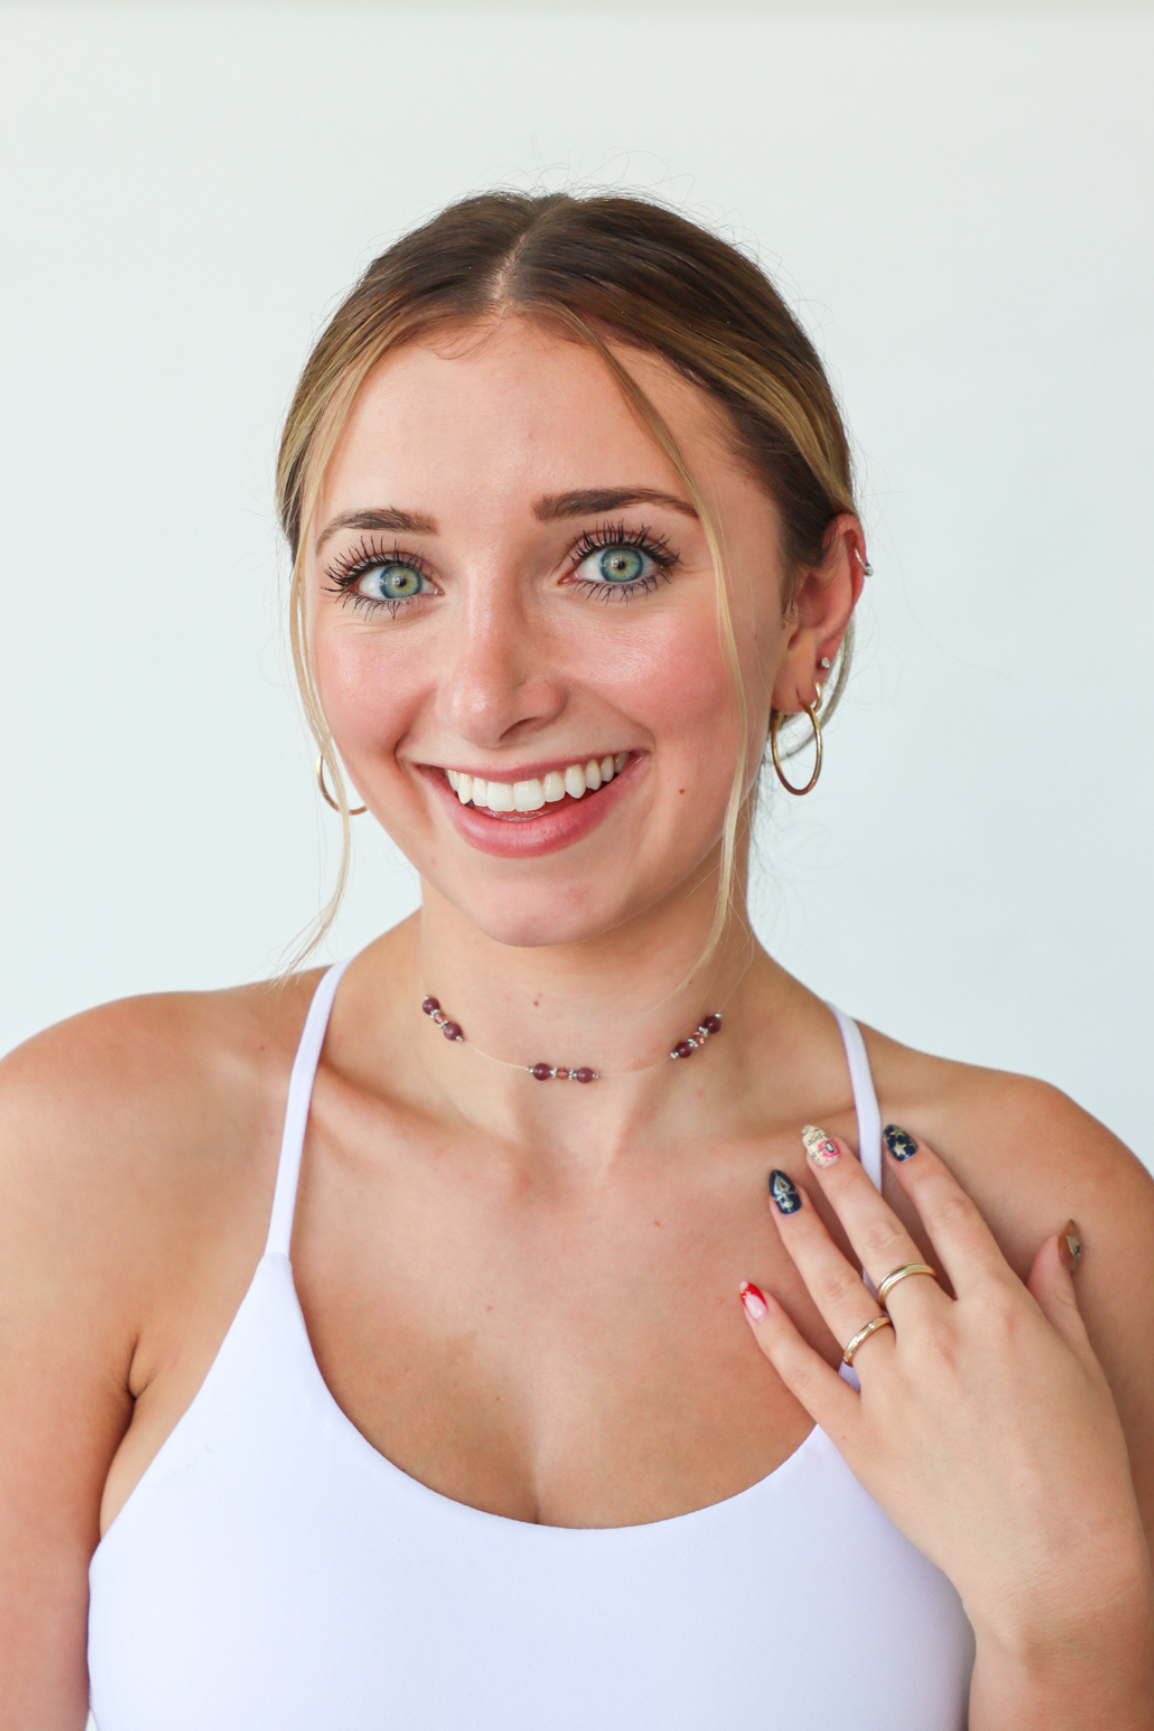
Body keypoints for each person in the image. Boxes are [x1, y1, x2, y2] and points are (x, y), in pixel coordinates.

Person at [1, 191, 1152, 1731]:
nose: (485, 695)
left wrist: (1075, 1620)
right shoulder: (83, 1161)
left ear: (814, 606)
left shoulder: (1025, 1225)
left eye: (610, 560)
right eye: (392, 576)